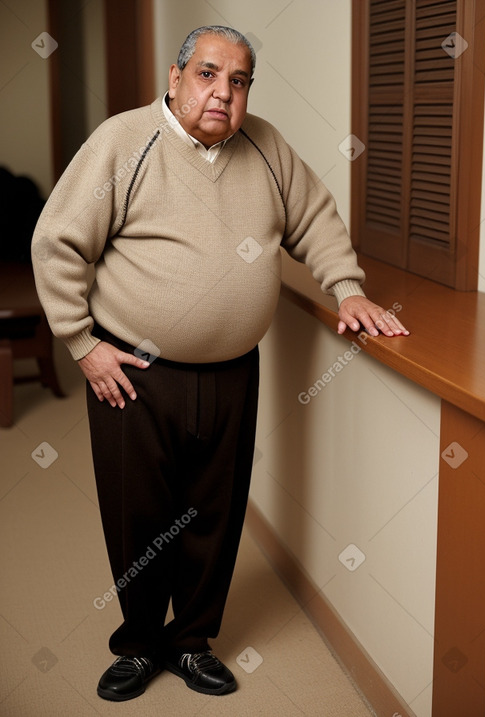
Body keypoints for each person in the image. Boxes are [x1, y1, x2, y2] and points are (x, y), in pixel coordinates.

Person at [31, 25, 409, 703]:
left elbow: (315, 218)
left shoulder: (264, 145)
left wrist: (347, 288)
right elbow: (57, 241)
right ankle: (141, 642)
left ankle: (192, 640)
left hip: (233, 371)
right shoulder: (124, 141)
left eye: (238, 81)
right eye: (208, 74)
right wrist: (82, 343)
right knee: (138, 513)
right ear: (174, 79)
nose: (223, 93)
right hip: (134, 372)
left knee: (215, 512)